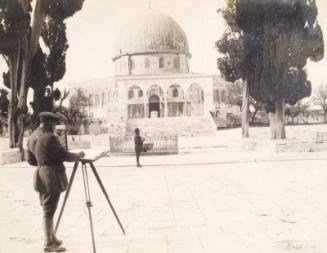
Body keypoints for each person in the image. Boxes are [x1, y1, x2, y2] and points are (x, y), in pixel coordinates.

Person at [27, 112, 85, 252]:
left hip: (41, 174)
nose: (54, 127)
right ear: (49, 123)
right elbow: (64, 155)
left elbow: (30, 160)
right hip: (51, 176)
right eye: (53, 124)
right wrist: (78, 155)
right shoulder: (50, 137)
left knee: (48, 207)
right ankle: (48, 243)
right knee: (49, 209)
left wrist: (43, 161)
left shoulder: (32, 136)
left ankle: (52, 237)